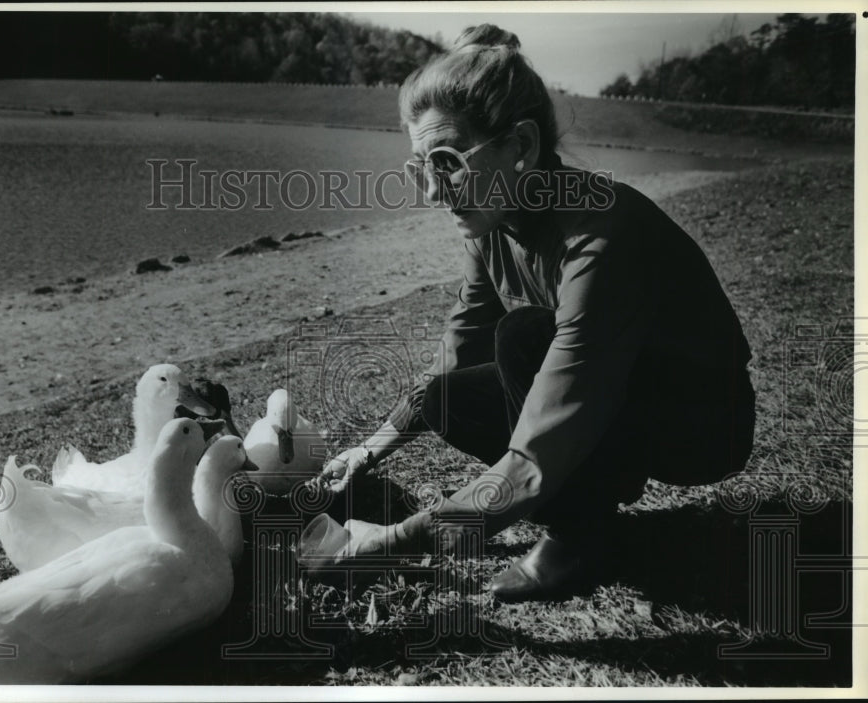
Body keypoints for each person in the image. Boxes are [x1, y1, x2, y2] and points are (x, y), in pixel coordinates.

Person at [316, 24, 756, 602]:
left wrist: (402, 539)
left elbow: (553, 423)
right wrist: (370, 448)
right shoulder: (491, 223)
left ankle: (579, 536)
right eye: (419, 167)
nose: (430, 192)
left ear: (521, 147)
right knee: (444, 396)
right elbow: (459, 345)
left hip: (701, 422)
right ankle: (590, 499)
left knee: (522, 337)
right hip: (609, 393)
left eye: (446, 162)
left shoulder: (603, 233)